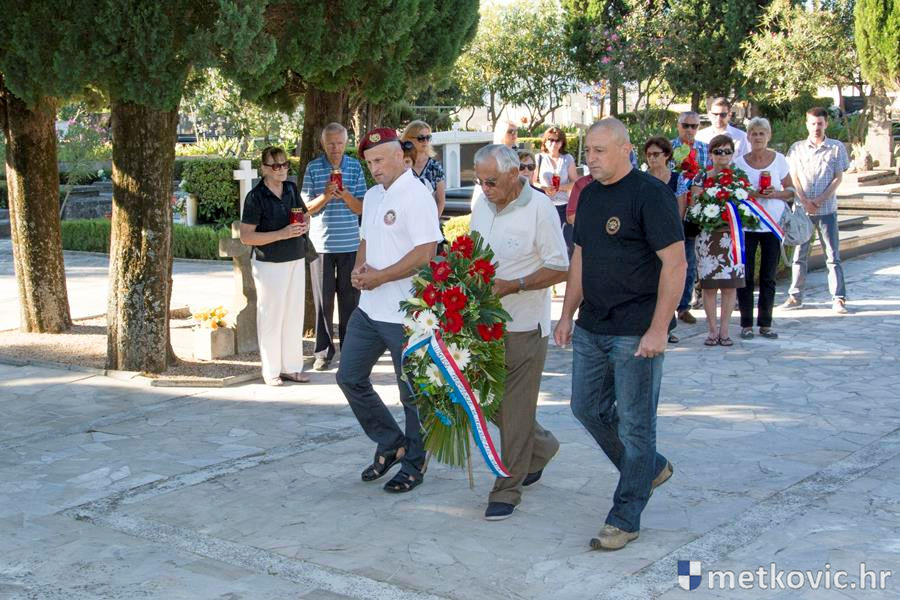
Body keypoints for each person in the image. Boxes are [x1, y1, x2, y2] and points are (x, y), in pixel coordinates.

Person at [554, 119, 685, 551]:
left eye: (598, 150)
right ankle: (650, 468)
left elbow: (675, 264)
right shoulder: (589, 195)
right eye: (587, 151)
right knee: (586, 408)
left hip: (636, 330)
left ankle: (625, 516)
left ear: (626, 149)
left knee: (635, 425)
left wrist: (659, 328)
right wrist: (566, 314)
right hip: (592, 325)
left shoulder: (650, 195)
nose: (589, 158)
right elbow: (580, 257)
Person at [335, 128, 443, 494]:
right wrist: (359, 269)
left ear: (401, 156)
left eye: (380, 160)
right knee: (349, 377)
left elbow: (425, 253)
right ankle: (391, 442)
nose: (375, 168)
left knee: (412, 395)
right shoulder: (372, 195)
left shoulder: (418, 195)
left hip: (406, 314)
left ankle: (414, 464)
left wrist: (382, 277)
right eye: (369, 163)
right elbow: (367, 239)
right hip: (370, 310)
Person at [469, 144, 569, 521]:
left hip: (523, 326)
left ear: (514, 174)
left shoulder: (540, 207)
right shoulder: (482, 204)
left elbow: (560, 267)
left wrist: (516, 284)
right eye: (479, 181)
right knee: (480, 399)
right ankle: (540, 447)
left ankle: (507, 489)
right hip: (481, 323)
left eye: (491, 181)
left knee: (514, 410)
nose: (485, 188)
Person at [240, 146, 311, 386]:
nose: (282, 169)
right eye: (276, 165)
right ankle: (271, 371)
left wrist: (304, 225)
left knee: (294, 314)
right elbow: (246, 236)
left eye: (285, 164)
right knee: (271, 316)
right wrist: (282, 233)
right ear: (264, 168)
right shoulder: (256, 196)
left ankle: (291, 367)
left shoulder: (290, 188)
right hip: (269, 263)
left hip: (296, 257)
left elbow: (305, 215)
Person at [301, 123, 368, 372]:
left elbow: (362, 208)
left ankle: (349, 353)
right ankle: (323, 352)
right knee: (323, 302)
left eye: (340, 143)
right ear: (323, 143)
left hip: (350, 244)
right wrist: (326, 195)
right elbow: (305, 209)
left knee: (350, 301)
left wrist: (345, 194)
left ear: (346, 143)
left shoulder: (355, 167)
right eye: (330, 143)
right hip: (321, 245)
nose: (335, 148)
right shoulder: (313, 168)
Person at [782, 106, 850, 314]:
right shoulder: (797, 148)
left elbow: (838, 177)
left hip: (826, 209)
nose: (816, 127)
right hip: (802, 211)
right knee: (799, 255)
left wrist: (820, 199)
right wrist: (803, 199)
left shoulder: (836, 147)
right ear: (807, 124)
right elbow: (793, 176)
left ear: (826, 123)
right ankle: (795, 296)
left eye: (820, 123)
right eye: (813, 123)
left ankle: (838, 298)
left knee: (832, 255)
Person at [733, 118, 793, 339]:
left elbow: (791, 189)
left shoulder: (779, 160)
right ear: (748, 136)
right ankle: (746, 324)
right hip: (748, 225)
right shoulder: (738, 163)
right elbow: (734, 192)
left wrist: (774, 194)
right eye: (754, 133)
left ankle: (765, 323)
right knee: (746, 277)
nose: (758, 137)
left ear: (768, 136)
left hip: (772, 225)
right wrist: (752, 193)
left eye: (762, 133)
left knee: (768, 276)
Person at [690, 135, 745, 347]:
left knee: (730, 287)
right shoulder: (701, 177)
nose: (723, 156)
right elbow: (695, 205)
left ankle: (725, 331)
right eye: (718, 151)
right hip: (708, 237)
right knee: (710, 287)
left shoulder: (739, 177)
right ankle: (712, 330)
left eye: (727, 151)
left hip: (732, 238)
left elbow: (745, 203)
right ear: (711, 154)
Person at [644, 136, 689, 344]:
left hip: (669, 236)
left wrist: (674, 234)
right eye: (648, 155)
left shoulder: (677, 179)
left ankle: (668, 327)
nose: (652, 158)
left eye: (656, 154)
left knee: (669, 281)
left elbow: (680, 208)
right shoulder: (642, 178)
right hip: (646, 237)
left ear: (667, 155)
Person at [671, 111, 709, 325]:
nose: (690, 130)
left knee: (689, 262)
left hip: (694, 212)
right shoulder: (668, 148)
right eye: (686, 125)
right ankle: (668, 305)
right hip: (672, 211)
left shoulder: (705, 149)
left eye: (694, 126)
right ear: (678, 126)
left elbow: (710, 177)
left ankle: (684, 306)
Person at [534, 126, 579, 253]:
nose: (554, 143)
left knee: (567, 245)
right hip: (544, 206)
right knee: (545, 244)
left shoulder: (567, 158)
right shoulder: (539, 158)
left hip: (563, 207)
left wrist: (560, 188)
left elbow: (575, 182)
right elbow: (533, 182)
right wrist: (545, 188)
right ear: (545, 141)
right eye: (550, 140)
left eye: (557, 140)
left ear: (562, 143)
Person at [401, 120, 446, 215]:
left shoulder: (435, 166)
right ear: (408, 139)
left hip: (428, 219)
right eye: (421, 138)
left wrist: (434, 221)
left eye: (428, 137)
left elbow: (441, 201)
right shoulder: (400, 164)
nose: (425, 141)